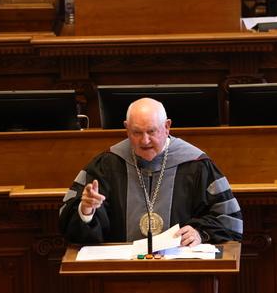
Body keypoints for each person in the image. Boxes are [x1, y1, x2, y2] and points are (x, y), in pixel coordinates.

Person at [59, 97, 243, 246]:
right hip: (121, 270)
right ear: (126, 129)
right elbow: (70, 227)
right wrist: (86, 210)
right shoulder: (106, 165)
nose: (144, 141)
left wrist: (200, 233)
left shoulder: (196, 165)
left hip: (182, 267)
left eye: (151, 131)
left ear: (167, 126)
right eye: (136, 133)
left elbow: (229, 219)